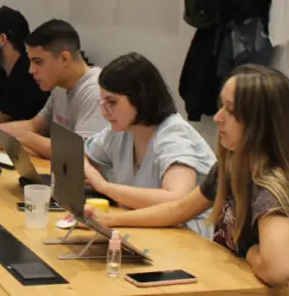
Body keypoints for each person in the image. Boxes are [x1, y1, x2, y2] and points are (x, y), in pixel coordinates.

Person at [80, 64, 289, 288]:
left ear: (259, 123)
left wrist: (251, 252)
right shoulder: (231, 167)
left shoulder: (269, 187)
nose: (218, 118)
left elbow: (277, 271)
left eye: (230, 111)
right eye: (221, 106)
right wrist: (110, 221)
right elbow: (177, 210)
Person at [81, 52, 216, 237]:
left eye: (112, 102)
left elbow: (176, 199)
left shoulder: (174, 136)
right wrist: (91, 175)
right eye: (102, 102)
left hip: (189, 240)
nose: (104, 112)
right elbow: (81, 155)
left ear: (140, 98)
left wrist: (104, 186)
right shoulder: (123, 129)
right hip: (149, 230)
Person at [0, 19, 105, 158]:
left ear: (64, 59)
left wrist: (21, 136)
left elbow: (79, 153)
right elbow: (35, 126)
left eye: (38, 62)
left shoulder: (96, 91)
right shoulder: (59, 86)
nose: (31, 70)